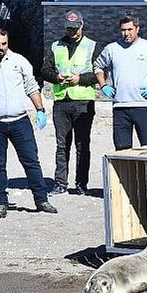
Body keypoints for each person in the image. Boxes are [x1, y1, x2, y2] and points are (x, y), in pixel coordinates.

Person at [0, 28, 57, 218]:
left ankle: (41, 199)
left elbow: (32, 86)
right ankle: (0, 202)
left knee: (31, 161)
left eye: (4, 44)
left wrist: (40, 110)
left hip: (19, 121)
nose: (0, 47)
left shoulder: (19, 61)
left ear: (8, 43)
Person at [94, 13, 147, 150]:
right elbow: (97, 66)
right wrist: (103, 85)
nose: (126, 33)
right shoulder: (112, 49)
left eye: (130, 30)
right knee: (122, 150)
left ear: (137, 29)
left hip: (142, 105)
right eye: (123, 30)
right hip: (120, 107)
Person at [41, 10, 100, 196]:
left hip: (83, 102)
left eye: (75, 28)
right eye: (69, 28)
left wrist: (80, 79)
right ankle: (60, 183)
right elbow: (44, 69)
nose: (72, 32)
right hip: (61, 101)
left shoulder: (92, 46)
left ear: (82, 25)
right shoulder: (56, 46)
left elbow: (100, 75)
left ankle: (81, 184)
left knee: (82, 146)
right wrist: (56, 77)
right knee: (62, 145)